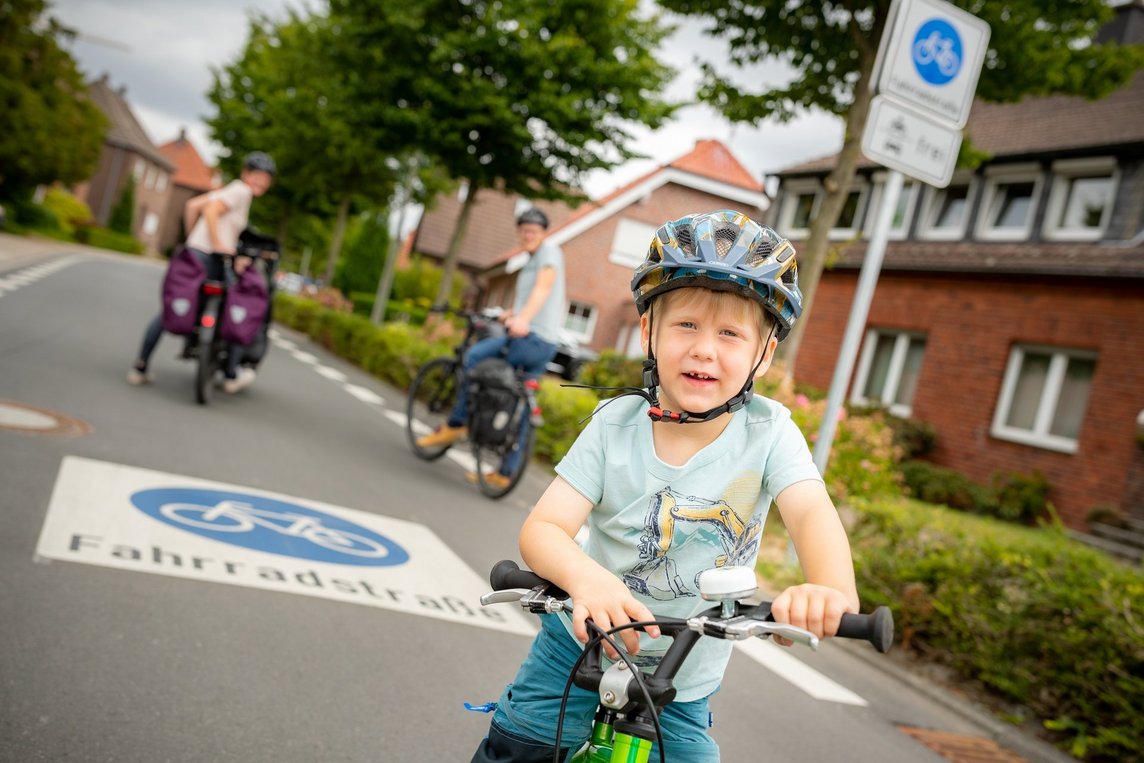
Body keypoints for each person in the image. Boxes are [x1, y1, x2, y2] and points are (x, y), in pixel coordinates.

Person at [470, 210, 860, 762]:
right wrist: (586, 579)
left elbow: (813, 516)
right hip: (576, 650)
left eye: (730, 333)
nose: (705, 349)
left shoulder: (771, 434)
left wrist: (828, 592)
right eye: (687, 326)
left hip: (683, 679)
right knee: (518, 748)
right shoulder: (615, 424)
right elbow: (545, 529)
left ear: (764, 354)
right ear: (649, 331)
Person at [416, 206, 565, 489]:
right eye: (523, 230)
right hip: (545, 344)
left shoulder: (549, 253)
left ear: (544, 233)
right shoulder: (532, 259)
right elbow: (536, 298)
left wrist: (522, 319)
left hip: (529, 339)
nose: (527, 235)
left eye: (533, 231)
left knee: (474, 356)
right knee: (522, 404)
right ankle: (505, 473)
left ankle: (457, 423)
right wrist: (511, 313)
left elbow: (543, 289)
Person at [127, 152, 276, 393]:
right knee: (238, 305)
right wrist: (218, 244)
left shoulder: (231, 189)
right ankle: (230, 374)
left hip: (195, 255)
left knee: (175, 307)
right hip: (213, 258)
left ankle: (140, 365)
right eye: (256, 176)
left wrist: (193, 240)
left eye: (265, 179)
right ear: (245, 174)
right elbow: (210, 212)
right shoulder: (241, 191)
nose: (260, 182)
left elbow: (192, 205)